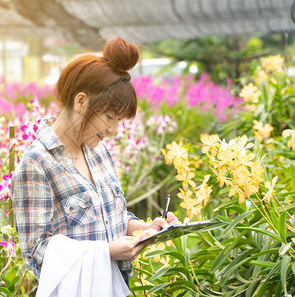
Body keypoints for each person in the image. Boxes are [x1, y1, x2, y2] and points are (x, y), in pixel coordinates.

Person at [10, 36, 178, 291]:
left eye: (119, 120)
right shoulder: (37, 163)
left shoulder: (99, 153)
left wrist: (147, 229)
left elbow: (114, 218)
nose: (112, 129)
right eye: (109, 117)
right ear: (81, 102)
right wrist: (106, 252)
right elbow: (35, 253)